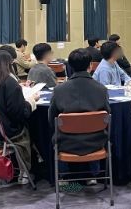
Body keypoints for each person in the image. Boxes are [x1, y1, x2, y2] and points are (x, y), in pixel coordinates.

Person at [48, 48, 110, 191]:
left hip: (66, 142)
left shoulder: (59, 90)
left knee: (57, 134)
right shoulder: (101, 89)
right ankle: (92, 175)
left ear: (70, 66)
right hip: (96, 142)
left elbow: (52, 120)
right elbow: (107, 117)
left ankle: (64, 177)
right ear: (90, 65)